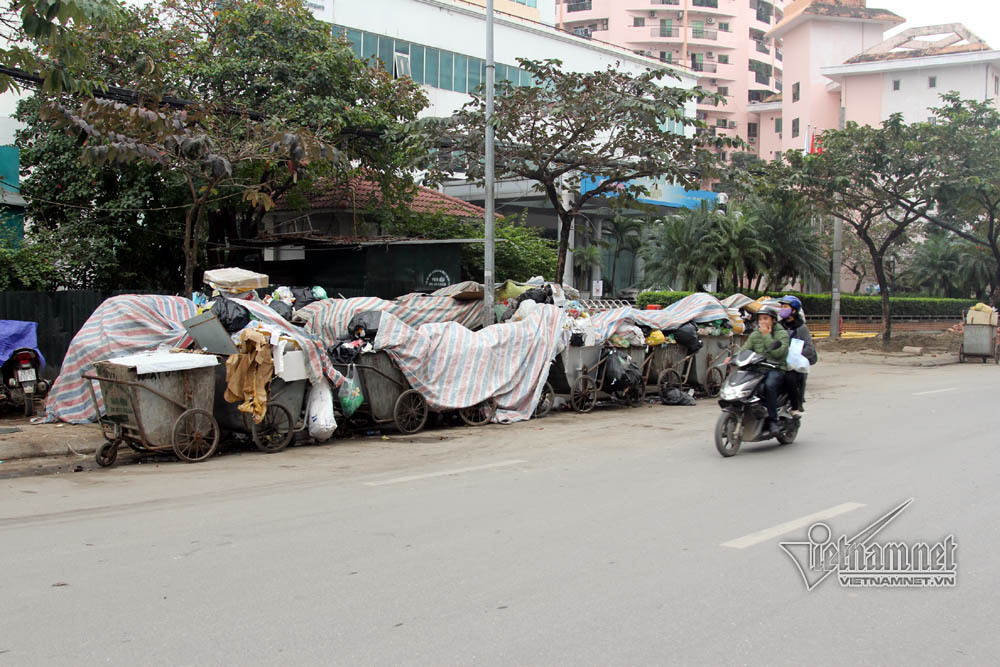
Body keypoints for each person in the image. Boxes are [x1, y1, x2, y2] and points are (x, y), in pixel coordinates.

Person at [740, 305, 789, 436]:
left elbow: (778, 353)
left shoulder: (781, 334)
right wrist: (734, 357)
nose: (762, 322)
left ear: (773, 320)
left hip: (776, 369)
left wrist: (766, 335)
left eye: (765, 318)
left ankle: (773, 420)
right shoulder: (755, 334)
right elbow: (745, 349)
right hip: (758, 369)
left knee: (769, 386)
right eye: (760, 319)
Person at [777, 295, 817, 416]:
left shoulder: (801, 328)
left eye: (785, 307)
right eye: (781, 307)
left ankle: (795, 406)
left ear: (794, 310)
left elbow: (809, 349)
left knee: (790, 378)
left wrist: (793, 355)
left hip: (793, 366)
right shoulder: (778, 326)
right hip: (777, 362)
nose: (782, 309)